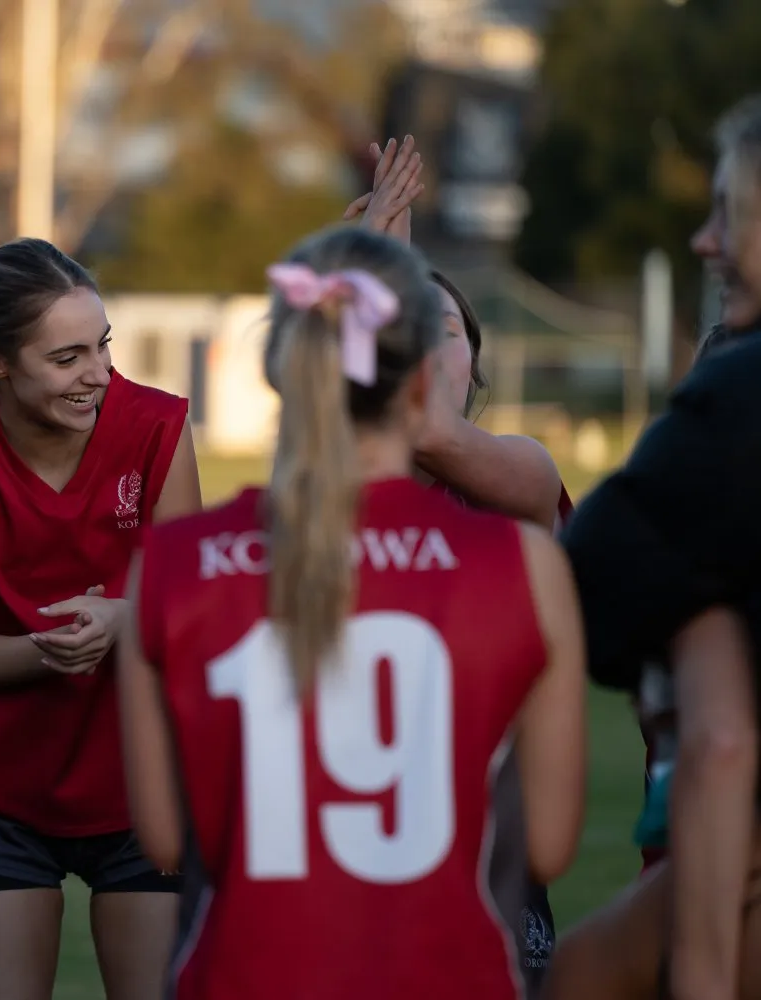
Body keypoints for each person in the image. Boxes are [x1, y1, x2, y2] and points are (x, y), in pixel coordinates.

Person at [119, 224, 587, 1000]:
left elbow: (166, 837)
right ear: (419, 381)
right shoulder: (522, 566)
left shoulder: (169, 565)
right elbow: (548, 840)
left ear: (279, 374)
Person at [0, 236, 202, 1000]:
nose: (98, 373)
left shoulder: (157, 426)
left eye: (101, 346)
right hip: (0, 796)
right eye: (68, 358)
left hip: (142, 781)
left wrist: (123, 618)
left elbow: (188, 606)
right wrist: (52, 651)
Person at [346, 135, 572, 993]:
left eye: (440, 329)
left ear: (474, 361)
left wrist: (379, 258)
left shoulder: (522, 468)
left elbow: (430, 430)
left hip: (490, 834)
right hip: (351, 817)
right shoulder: (343, 481)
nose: (422, 346)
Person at [549, 93, 761, 1000]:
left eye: (731, 213)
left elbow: (595, 587)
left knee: (584, 976)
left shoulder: (738, 399)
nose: (707, 241)